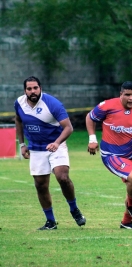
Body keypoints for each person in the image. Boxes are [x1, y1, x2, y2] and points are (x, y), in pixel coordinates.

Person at [14, 76, 86, 230]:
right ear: (24, 90)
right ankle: (51, 222)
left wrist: (57, 143)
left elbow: (68, 127)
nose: (33, 91)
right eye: (29, 89)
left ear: (40, 88)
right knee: (40, 185)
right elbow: (18, 120)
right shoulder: (19, 103)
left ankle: (74, 209)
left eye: (35, 88)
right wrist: (22, 144)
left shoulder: (52, 104)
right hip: (36, 148)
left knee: (63, 177)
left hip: (56, 145)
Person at [86, 81, 132, 229]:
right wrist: (92, 139)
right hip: (112, 155)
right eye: (127, 95)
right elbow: (90, 117)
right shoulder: (107, 106)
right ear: (120, 94)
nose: (131, 98)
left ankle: (127, 222)